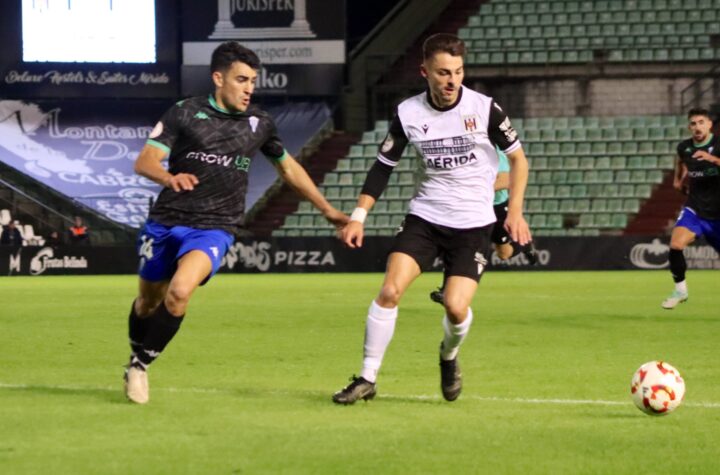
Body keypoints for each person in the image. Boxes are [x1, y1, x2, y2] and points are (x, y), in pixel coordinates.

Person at [123, 41, 348, 404]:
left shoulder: (260, 124)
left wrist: (328, 209)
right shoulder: (184, 112)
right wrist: (170, 179)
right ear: (218, 78)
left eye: (252, 81)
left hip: (215, 227)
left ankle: (140, 366)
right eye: (241, 80)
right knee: (148, 303)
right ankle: (136, 356)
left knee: (180, 293)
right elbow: (145, 161)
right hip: (165, 222)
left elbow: (288, 168)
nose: (249, 88)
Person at [332, 33, 531, 404]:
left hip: (473, 224)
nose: (452, 80)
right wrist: (358, 216)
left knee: (456, 307)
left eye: (457, 71)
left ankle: (449, 356)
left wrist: (514, 212)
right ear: (425, 72)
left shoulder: (485, 109)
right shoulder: (408, 113)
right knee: (390, 290)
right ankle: (366, 377)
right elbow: (382, 166)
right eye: (443, 72)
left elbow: (519, 159)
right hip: (425, 217)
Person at [429, 147, 538, 305]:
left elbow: (507, 178)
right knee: (458, 242)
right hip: (474, 207)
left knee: (504, 253)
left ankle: (525, 245)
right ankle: (446, 289)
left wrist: (474, 187)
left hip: (497, 206)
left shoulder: (493, 152)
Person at [662, 107, 720, 309]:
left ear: (710, 124)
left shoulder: (718, 145)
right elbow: (680, 161)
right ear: (689, 127)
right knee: (676, 245)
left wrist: (713, 160)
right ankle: (680, 290)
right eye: (693, 123)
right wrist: (678, 180)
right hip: (695, 208)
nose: (697, 127)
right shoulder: (684, 147)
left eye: (701, 122)